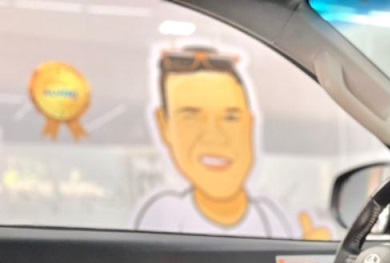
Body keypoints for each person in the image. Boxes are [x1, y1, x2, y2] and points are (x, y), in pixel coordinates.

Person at [134, 46, 331, 240]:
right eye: (191, 117)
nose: (214, 137)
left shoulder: (269, 216)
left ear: (250, 124)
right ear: (164, 126)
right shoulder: (162, 214)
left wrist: (312, 253)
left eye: (230, 118)